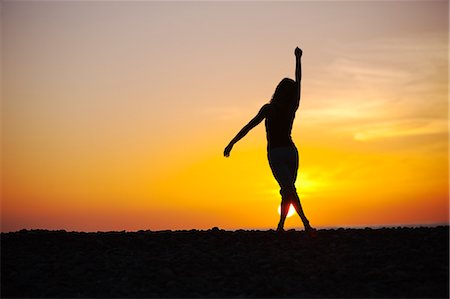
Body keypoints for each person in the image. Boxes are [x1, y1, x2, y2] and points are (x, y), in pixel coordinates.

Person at [224, 47, 315, 234]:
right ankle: (302, 223)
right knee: (289, 189)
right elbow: (299, 81)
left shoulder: (273, 108)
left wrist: (232, 142)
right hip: (288, 153)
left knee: (288, 189)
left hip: (279, 153)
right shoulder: (287, 106)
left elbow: (248, 127)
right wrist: (298, 59)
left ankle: (288, 225)